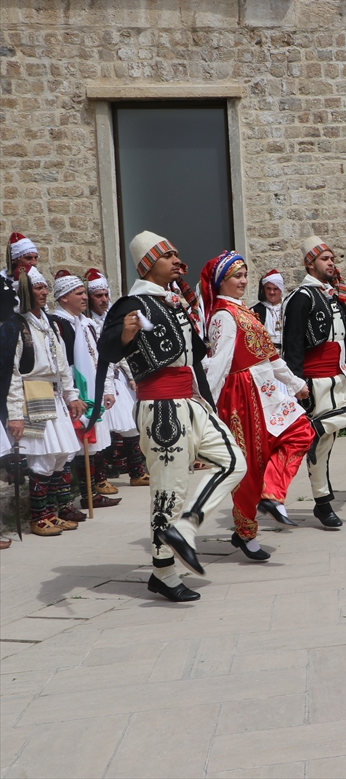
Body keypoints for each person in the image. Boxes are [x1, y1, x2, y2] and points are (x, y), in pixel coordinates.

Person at [94, 232, 246, 602]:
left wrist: (207, 400)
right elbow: (107, 349)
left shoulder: (175, 302)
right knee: (168, 491)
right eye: (169, 256)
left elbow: (194, 356)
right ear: (149, 264)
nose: (178, 261)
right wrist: (126, 336)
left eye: (177, 254)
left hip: (190, 401)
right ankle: (162, 571)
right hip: (161, 407)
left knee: (234, 463)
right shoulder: (133, 303)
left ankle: (187, 527)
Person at [201, 251, 314, 561]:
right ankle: (246, 533)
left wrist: (295, 384)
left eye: (245, 275)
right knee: (250, 466)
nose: (244, 281)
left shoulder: (246, 313)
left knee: (301, 432)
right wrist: (204, 409)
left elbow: (270, 357)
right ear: (222, 281)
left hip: (266, 389)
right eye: (236, 276)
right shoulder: (224, 315)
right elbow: (219, 364)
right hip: (242, 396)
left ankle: (273, 494)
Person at [280, 236, 346, 529]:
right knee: (323, 449)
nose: (331, 263)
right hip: (316, 381)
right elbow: (292, 347)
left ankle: (319, 425)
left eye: (332, 258)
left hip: (343, 375)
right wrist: (297, 387)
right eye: (325, 259)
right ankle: (323, 502)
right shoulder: (301, 297)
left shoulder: (333, 295)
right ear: (309, 263)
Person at [0, 268, 87, 535]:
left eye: (45, 288)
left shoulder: (48, 324)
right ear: (25, 293)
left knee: (62, 454)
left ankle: (53, 511)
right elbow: (13, 374)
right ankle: (40, 516)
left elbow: (61, 364)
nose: (43, 292)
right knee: (43, 458)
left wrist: (72, 395)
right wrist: (14, 414)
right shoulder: (15, 327)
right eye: (37, 288)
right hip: (31, 395)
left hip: (54, 395)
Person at [49, 270, 121, 510]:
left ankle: (92, 494)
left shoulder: (87, 324)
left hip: (93, 389)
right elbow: (62, 365)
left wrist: (107, 388)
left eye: (83, 293)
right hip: (73, 394)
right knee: (71, 448)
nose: (84, 298)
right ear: (63, 298)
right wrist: (73, 394)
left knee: (92, 442)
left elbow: (102, 359)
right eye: (79, 293)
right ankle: (65, 503)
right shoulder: (58, 324)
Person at [86, 269, 148, 487]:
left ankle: (137, 472)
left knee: (130, 425)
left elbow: (122, 352)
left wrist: (131, 376)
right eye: (97, 296)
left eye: (105, 295)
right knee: (101, 431)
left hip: (116, 377)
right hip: (98, 378)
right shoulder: (87, 323)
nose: (103, 300)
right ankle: (100, 479)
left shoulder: (111, 318)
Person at [1, 233, 40, 323]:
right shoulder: (2, 281)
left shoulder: (37, 279)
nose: (34, 263)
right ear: (15, 259)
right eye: (28, 258)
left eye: (35, 258)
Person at [250, 269, 285, 348]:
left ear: (281, 289)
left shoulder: (289, 306)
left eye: (275, 289)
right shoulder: (255, 311)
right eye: (268, 288)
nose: (272, 292)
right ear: (264, 289)